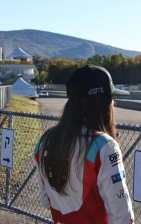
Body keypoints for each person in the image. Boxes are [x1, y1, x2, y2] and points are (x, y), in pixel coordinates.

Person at [33, 65, 134, 224]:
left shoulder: (45, 140)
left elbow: (47, 201)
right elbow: (122, 214)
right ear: (102, 103)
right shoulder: (105, 146)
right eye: (111, 98)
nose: (113, 104)